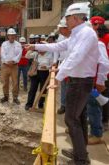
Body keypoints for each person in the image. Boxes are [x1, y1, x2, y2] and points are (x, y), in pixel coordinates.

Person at [25, 3, 104, 164]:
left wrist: (58, 79)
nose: (65, 22)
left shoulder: (86, 34)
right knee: (79, 118)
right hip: (78, 81)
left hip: (80, 83)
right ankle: (80, 152)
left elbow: (75, 57)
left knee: (71, 119)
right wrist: (35, 45)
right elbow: (58, 46)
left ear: (75, 18)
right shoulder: (77, 34)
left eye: (67, 18)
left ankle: (81, 159)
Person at [90, 16, 109, 131]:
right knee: (98, 97)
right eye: (94, 25)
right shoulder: (99, 38)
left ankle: (104, 121)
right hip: (99, 72)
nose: (95, 27)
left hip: (103, 73)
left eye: (96, 25)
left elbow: (104, 61)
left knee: (103, 96)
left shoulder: (104, 39)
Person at [25, 45, 53, 110]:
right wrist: (31, 49)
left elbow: (52, 65)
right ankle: (29, 104)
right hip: (35, 72)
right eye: (39, 49)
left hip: (45, 73)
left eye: (41, 49)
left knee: (43, 89)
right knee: (32, 89)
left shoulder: (50, 54)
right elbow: (27, 56)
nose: (40, 51)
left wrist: (47, 67)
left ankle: (40, 104)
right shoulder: (36, 54)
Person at [54, 17, 71, 115]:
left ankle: (69, 107)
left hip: (71, 67)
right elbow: (56, 49)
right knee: (64, 87)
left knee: (71, 88)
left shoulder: (74, 37)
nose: (59, 30)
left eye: (61, 28)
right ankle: (63, 105)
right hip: (62, 64)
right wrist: (55, 61)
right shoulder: (60, 38)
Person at [0, 28, 22, 104]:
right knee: (5, 82)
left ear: (15, 36)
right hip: (5, 66)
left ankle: (15, 97)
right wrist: (7, 61)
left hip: (14, 66)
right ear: (8, 36)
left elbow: (19, 55)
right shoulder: (4, 44)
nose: (12, 36)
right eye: (10, 35)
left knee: (15, 82)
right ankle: (6, 96)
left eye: (13, 35)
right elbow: (3, 54)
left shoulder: (18, 45)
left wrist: (13, 61)